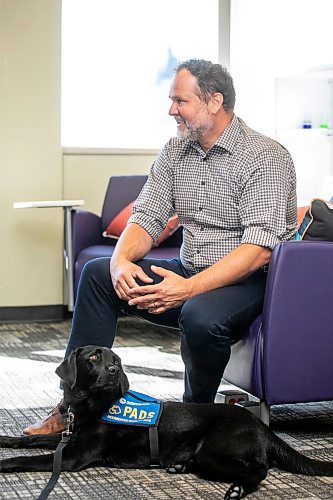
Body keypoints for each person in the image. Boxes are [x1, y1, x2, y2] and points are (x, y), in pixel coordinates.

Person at [23, 59, 297, 435]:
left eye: (180, 102)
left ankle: (195, 420)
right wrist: (120, 260)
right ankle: (72, 410)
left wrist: (186, 289)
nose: (171, 110)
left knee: (200, 314)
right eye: (172, 101)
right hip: (188, 273)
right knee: (98, 274)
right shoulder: (175, 152)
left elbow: (259, 249)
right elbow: (147, 217)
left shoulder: (265, 157)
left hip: (248, 283)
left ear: (214, 102)